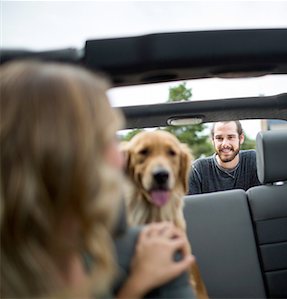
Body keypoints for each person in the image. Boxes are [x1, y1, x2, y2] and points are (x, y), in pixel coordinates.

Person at [0, 61, 194, 298]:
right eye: (105, 140)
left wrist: (139, 280)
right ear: (55, 157)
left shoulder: (79, 244)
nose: (120, 159)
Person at [188, 120, 260, 195]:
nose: (225, 144)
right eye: (219, 138)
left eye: (230, 137)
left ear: (241, 138)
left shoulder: (253, 160)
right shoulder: (198, 170)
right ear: (213, 140)